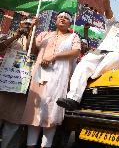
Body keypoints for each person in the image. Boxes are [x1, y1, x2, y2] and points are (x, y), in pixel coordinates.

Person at [56, 0, 119, 110]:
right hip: (99, 53)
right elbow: (107, 8)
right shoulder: (113, 24)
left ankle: (92, 78)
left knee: (115, 56)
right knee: (84, 64)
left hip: (117, 58)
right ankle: (73, 99)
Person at [21, 11, 81, 148]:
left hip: (58, 79)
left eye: (66, 18)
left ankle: (46, 145)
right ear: (56, 20)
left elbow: (76, 52)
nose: (63, 19)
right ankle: (30, 145)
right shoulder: (45, 35)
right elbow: (30, 47)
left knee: (52, 113)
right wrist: (32, 28)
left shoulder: (73, 37)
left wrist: (54, 56)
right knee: (35, 113)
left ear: (70, 23)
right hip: (40, 77)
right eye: (60, 17)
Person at [0, 18, 35, 148]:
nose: (27, 26)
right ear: (20, 24)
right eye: (25, 23)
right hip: (4, 87)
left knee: (13, 125)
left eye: (30, 25)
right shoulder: (8, 37)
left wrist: (31, 35)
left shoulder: (35, 43)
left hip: (20, 92)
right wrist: (17, 36)